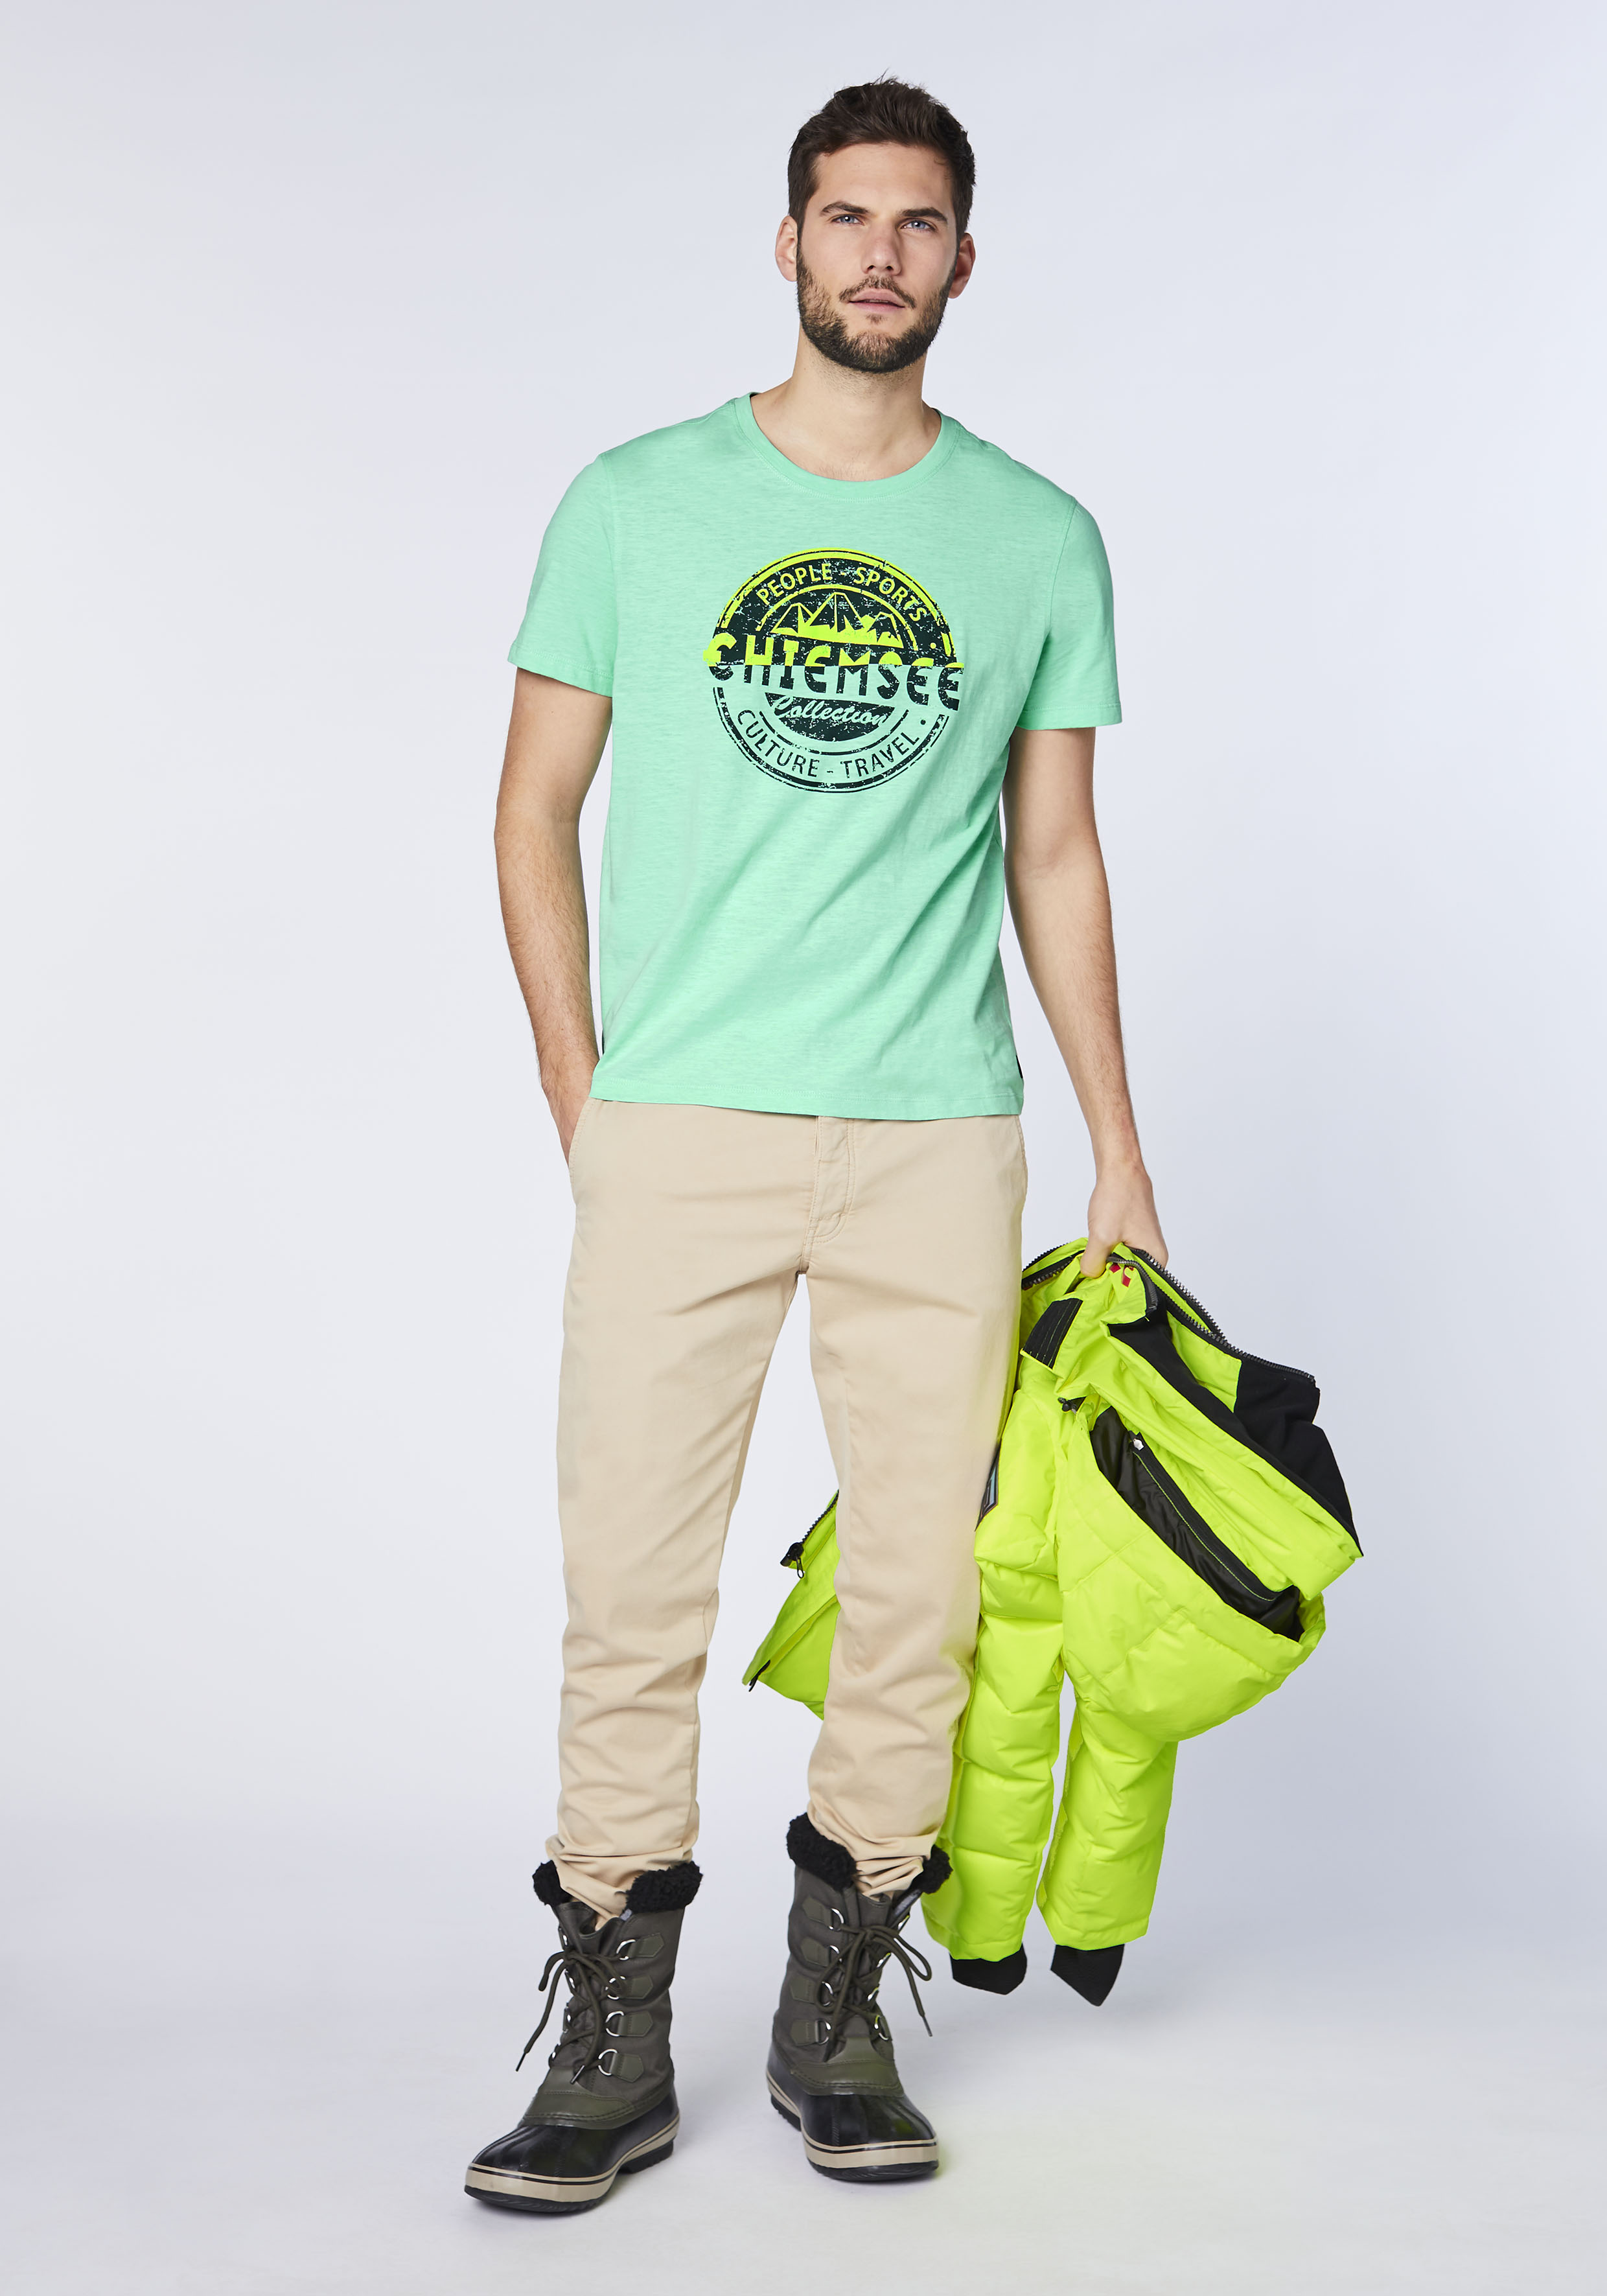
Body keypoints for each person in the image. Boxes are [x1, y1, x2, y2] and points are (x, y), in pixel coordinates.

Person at [465, 76, 1166, 2215]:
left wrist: (1120, 1149)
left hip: (936, 1133)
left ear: (965, 258)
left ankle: (834, 2007)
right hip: (681, 1127)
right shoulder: (633, 505)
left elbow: (1057, 852)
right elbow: (531, 810)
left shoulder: (1038, 537)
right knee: (633, 1587)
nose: (881, 253)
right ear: (787, 245)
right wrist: (587, 1098)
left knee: (922, 1599)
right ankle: (612, 2039)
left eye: (918, 221)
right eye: (846, 217)